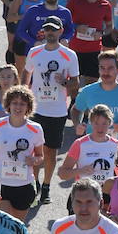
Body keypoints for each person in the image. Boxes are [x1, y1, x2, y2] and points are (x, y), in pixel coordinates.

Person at [24, 20, 79, 203]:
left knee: (50, 152)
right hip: (35, 110)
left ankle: (46, 186)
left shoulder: (69, 55)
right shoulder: (34, 52)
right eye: (47, 30)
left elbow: (75, 84)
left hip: (57, 111)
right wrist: (23, 94)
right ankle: (35, 184)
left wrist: (64, 81)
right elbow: (27, 74)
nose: (50, 33)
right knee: (34, 150)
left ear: (61, 31)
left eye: (54, 30)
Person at [0, 85, 45, 221]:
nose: (18, 107)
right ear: (8, 105)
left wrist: (35, 160)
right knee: (4, 222)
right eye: (15, 103)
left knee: (17, 226)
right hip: (1, 183)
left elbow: (41, 156)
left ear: (28, 107)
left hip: (24, 184)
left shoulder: (36, 129)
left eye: (22, 104)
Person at [72, 50, 118, 145]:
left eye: (110, 68)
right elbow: (75, 110)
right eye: (102, 68)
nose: (106, 72)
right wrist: (77, 125)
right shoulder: (88, 91)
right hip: (93, 147)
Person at [58, 104, 118, 198]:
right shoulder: (80, 144)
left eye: (104, 123)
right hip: (84, 193)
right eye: (96, 123)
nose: (100, 128)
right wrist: (80, 171)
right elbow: (62, 174)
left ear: (110, 123)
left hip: (108, 194)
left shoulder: (117, 146)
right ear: (90, 122)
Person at [68, 0, 113, 86]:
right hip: (75, 49)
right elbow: (64, 22)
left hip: (93, 50)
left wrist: (102, 34)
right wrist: (76, 27)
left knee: (91, 83)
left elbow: (109, 27)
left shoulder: (105, 5)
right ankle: (73, 102)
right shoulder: (75, 1)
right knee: (74, 83)